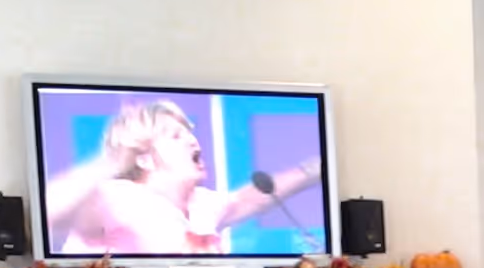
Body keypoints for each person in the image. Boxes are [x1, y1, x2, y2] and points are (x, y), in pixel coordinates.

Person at [45, 99, 323, 255]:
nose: (192, 140)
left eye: (189, 132)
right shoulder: (119, 197)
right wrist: (111, 163)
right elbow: (50, 215)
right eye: (176, 136)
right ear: (142, 158)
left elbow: (249, 199)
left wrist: (315, 169)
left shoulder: (201, 204)